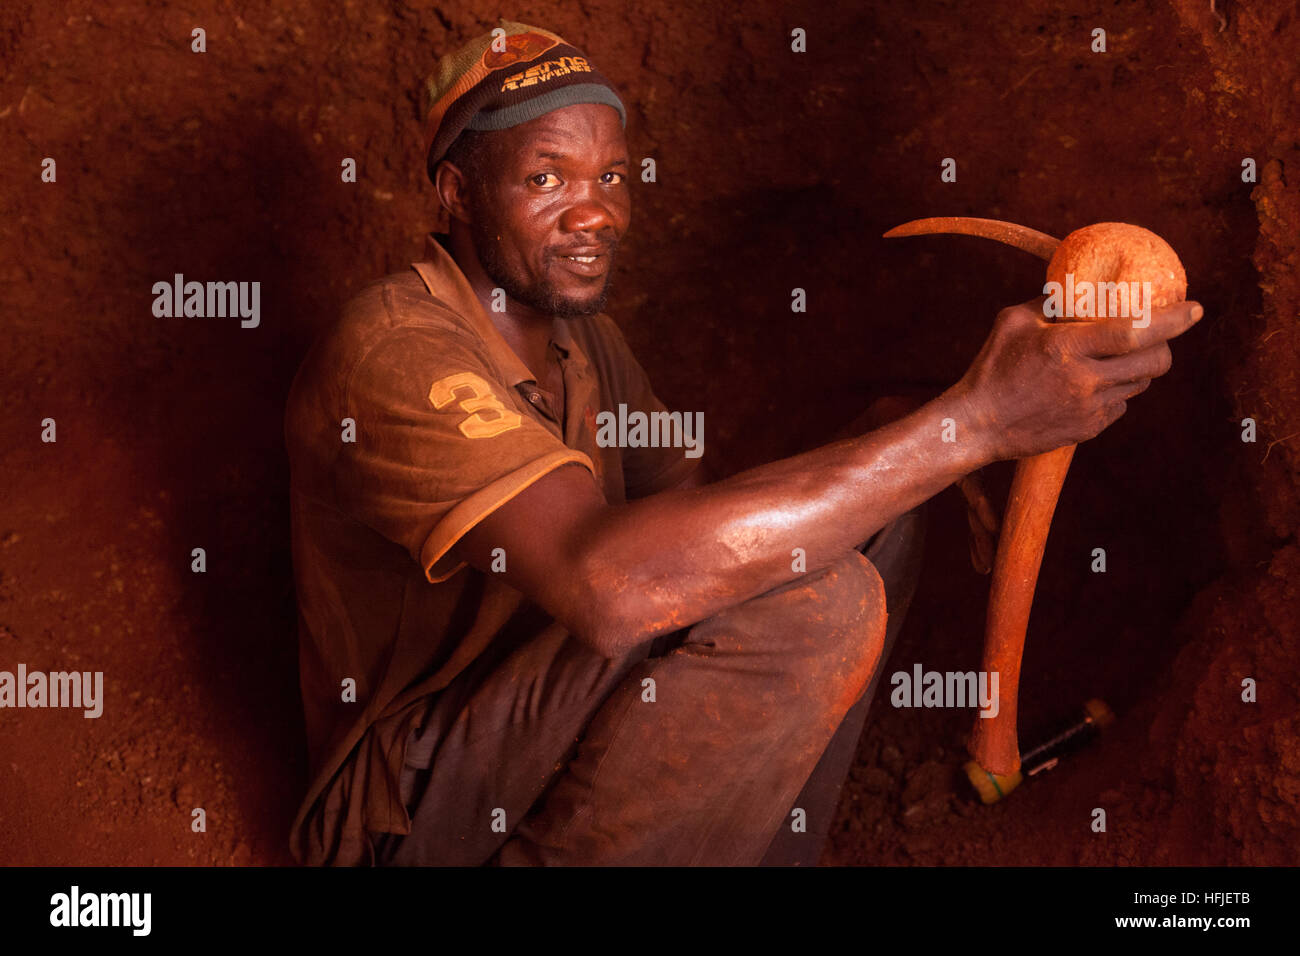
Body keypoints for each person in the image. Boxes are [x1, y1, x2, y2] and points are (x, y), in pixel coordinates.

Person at [284, 19, 1203, 866]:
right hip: (413, 801)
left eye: (611, 176)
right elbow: (614, 587)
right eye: (544, 178)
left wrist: (907, 446)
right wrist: (969, 425)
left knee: (874, 525)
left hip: (544, 701)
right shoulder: (395, 348)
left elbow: (701, 525)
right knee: (821, 602)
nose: (595, 209)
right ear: (453, 192)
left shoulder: (576, 339)